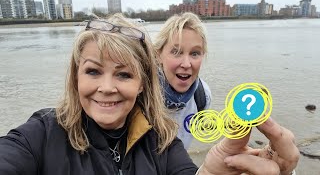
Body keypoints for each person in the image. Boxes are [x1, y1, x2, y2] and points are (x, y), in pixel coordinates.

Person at [0, 14, 299, 175]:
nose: (106, 87)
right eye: (92, 71)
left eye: (123, 74)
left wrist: (212, 170)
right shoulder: (40, 134)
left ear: (142, 83)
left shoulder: (163, 141)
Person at [154, 12, 212, 149]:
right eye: (176, 52)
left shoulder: (203, 96)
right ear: (158, 55)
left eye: (195, 53)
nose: (186, 64)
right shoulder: (139, 93)